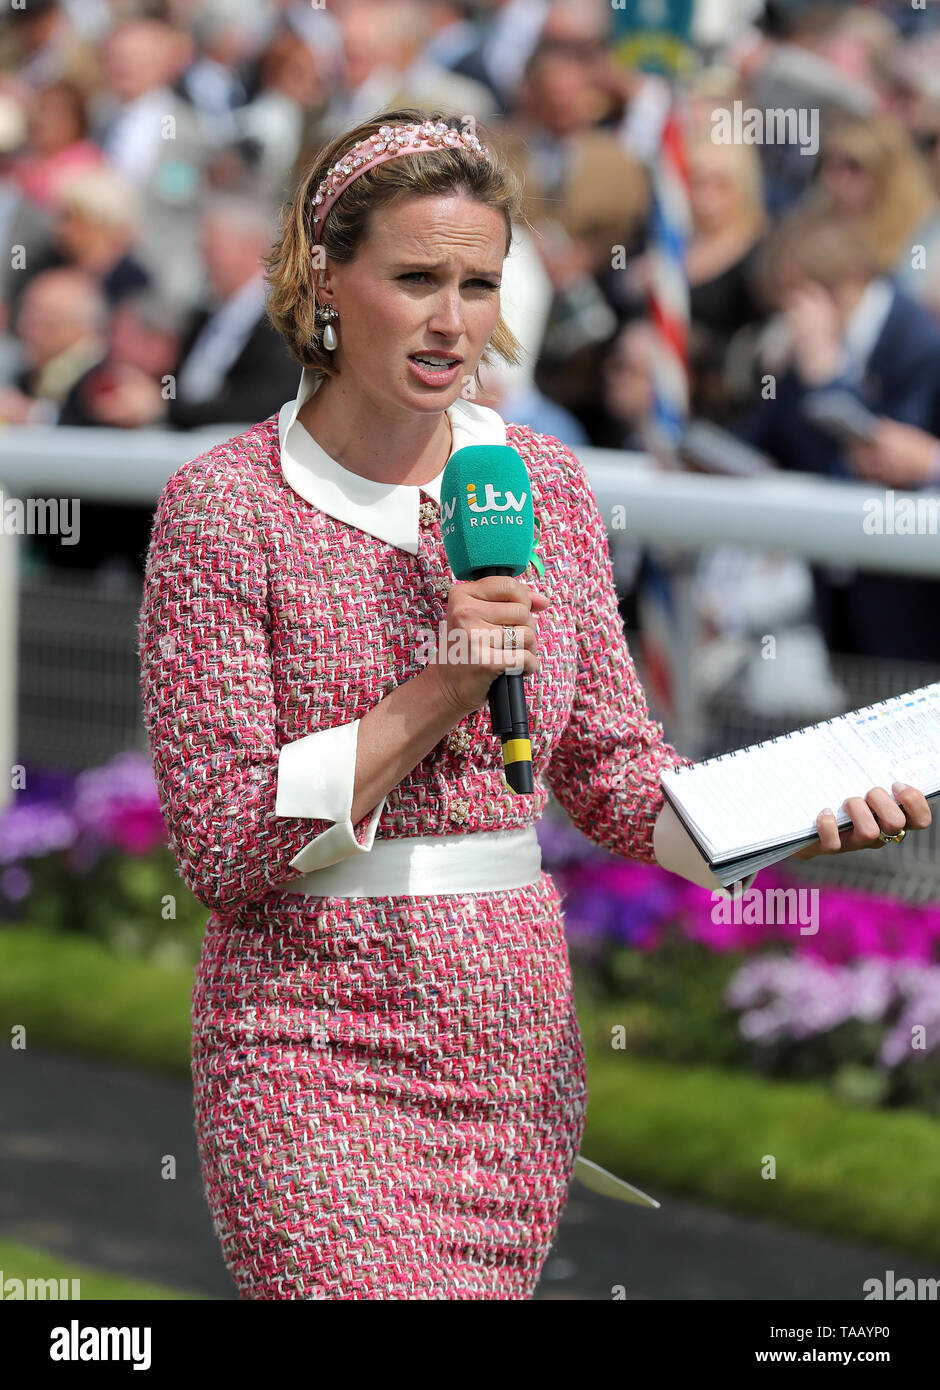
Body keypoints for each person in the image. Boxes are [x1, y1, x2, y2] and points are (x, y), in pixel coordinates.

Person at [137, 108, 933, 1302]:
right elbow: (223, 841)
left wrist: (789, 817)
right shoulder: (222, 507)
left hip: (512, 1053)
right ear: (324, 279)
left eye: (477, 281)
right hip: (305, 1047)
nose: (452, 319)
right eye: (414, 278)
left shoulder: (544, 482)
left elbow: (611, 770)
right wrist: (445, 685)